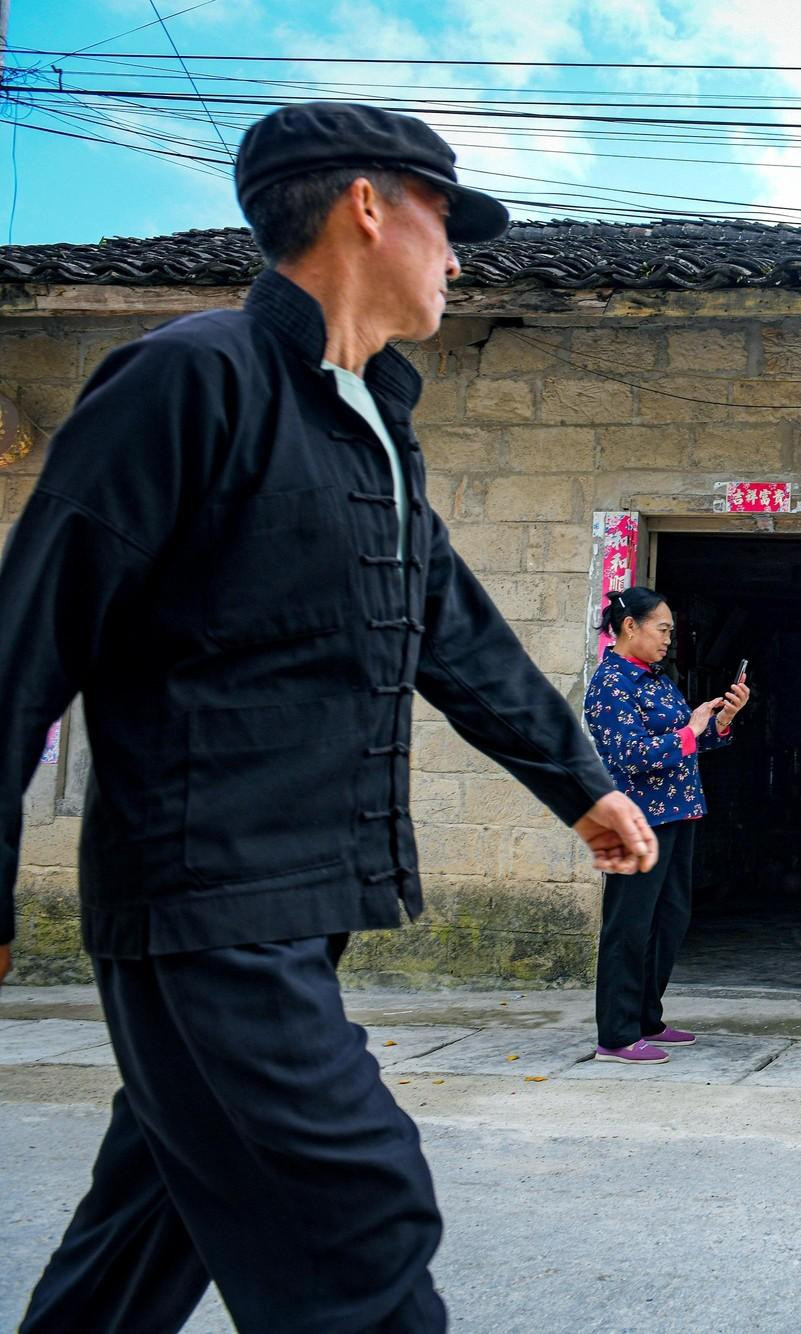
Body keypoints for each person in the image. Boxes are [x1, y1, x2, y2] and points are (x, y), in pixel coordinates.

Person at [0, 102, 658, 1333]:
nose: (458, 257)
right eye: (447, 221)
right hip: (202, 905)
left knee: (142, 1234)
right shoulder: (190, 379)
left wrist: (582, 784)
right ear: (368, 204)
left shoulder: (376, 436)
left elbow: (457, 636)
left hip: (298, 906)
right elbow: (25, 643)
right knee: (358, 1214)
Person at [584, 587, 750, 1064]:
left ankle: (645, 1020)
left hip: (677, 814)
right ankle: (615, 1036)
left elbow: (689, 744)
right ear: (630, 627)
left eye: (672, 632)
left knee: (668, 920)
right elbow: (632, 757)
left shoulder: (657, 680)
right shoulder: (610, 685)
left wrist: (718, 723)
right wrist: (691, 730)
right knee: (628, 926)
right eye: (662, 629)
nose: (668, 640)